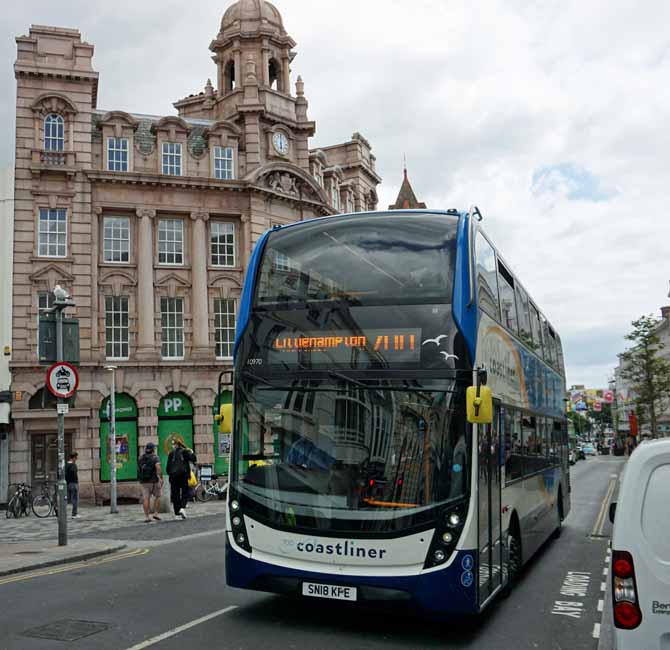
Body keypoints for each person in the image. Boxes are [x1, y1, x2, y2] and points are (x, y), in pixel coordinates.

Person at [166, 440, 196, 520]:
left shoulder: (171, 454)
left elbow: (168, 468)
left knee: (175, 495)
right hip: (183, 476)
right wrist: (192, 452)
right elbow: (194, 459)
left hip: (173, 477)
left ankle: (176, 514)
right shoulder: (185, 452)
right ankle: (182, 508)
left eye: (173, 444)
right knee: (185, 493)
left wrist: (171, 475)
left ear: (175, 445)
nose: (173, 445)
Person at [138, 442, 162, 523]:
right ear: (153, 449)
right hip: (154, 480)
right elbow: (158, 468)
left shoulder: (140, 458)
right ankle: (155, 513)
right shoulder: (155, 457)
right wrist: (160, 477)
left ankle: (147, 517)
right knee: (158, 496)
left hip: (143, 481)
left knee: (146, 498)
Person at [65, 452, 79, 518]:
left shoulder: (66, 465)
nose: (76, 459)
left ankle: (63, 513)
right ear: (73, 458)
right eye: (76, 458)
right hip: (73, 484)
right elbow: (74, 475)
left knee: (67, 499)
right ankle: (74, 514)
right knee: (75, 499)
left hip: (68, 484)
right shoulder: (73, 465)